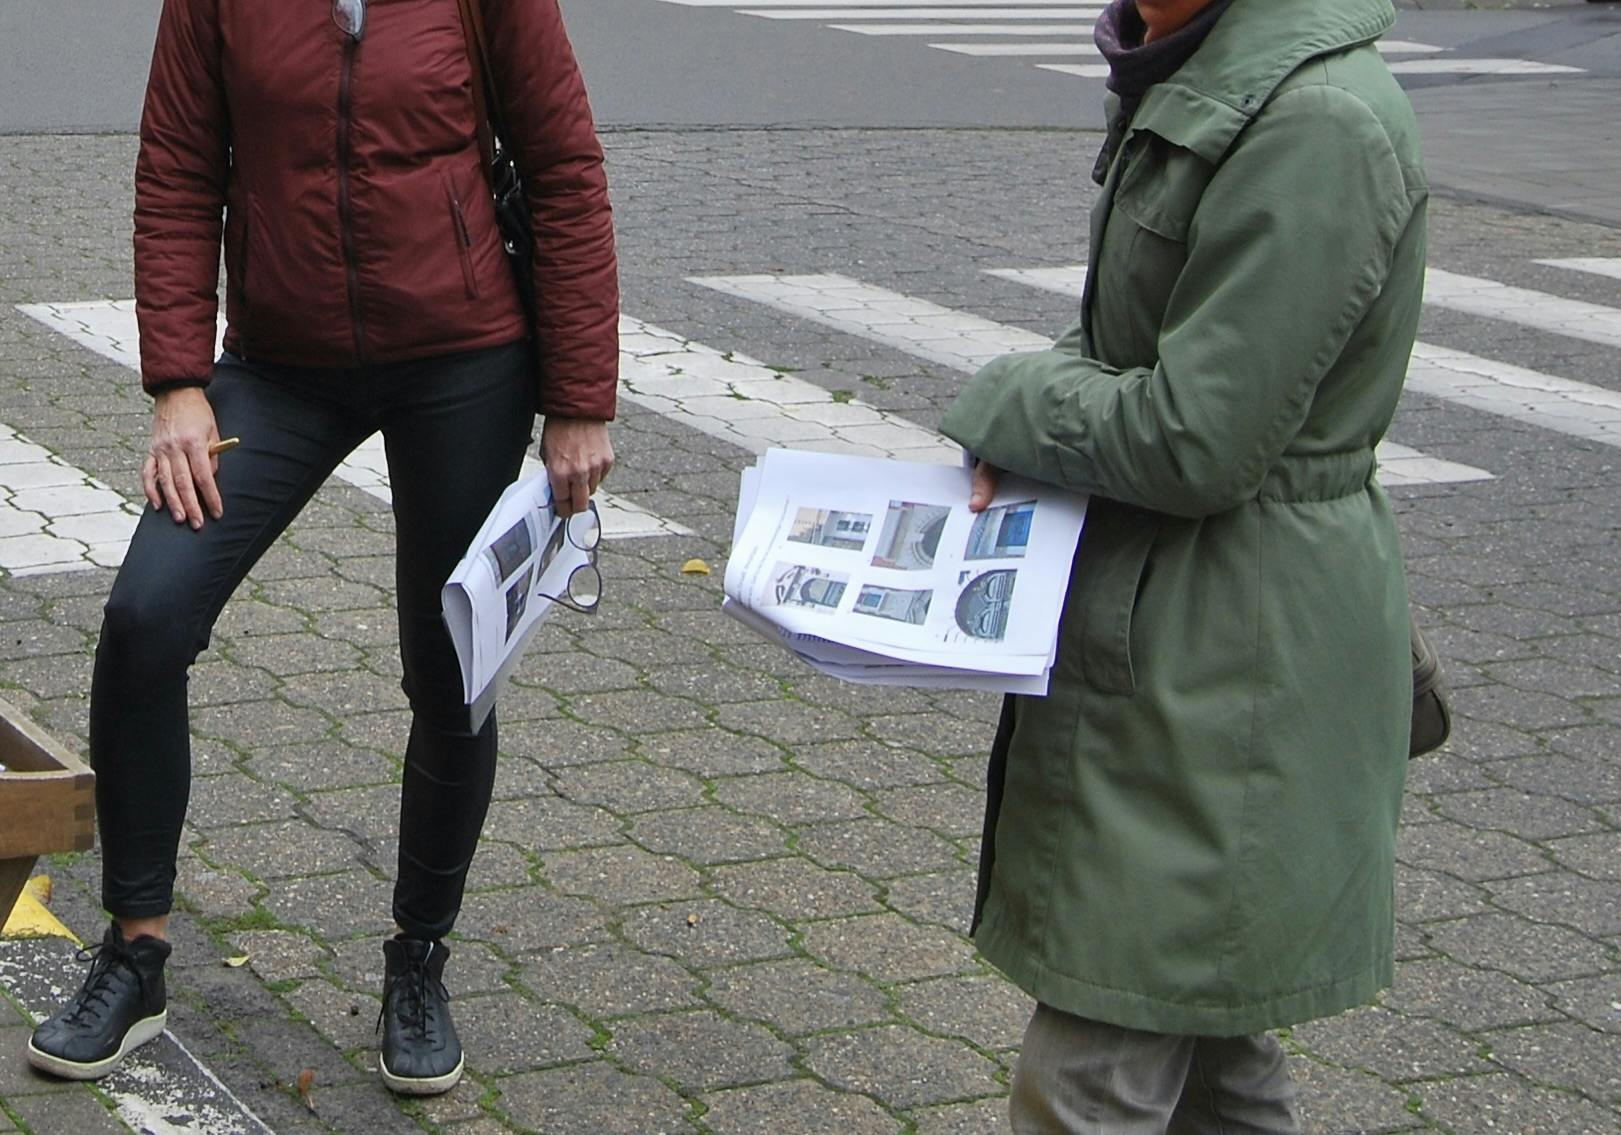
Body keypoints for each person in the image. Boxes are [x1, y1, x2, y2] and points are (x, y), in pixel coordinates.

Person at [25, 0, 617, 1096]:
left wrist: (580, 398)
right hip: (280, 364)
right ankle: (137, 956)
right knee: (148, 614)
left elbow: (565, 167)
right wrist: (178, 382)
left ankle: (418, 958)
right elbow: (177, 170)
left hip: (463, 357)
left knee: (451, 667)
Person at [939, 0, 1424, 1129]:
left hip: (1231, 650)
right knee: (1200, 1033)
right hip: (1179, 630)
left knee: (1094, 1064)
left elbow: (1197, 436)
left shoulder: (1316, 121)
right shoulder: (1204, 69)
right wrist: (1045, 412)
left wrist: (1008, 401)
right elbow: (1127, 336)